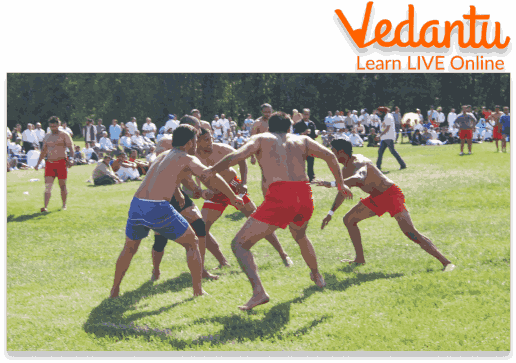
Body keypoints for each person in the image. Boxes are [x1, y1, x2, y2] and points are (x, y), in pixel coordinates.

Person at [202, 112, 351, 310]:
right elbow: (330, 156)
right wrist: (340, 184)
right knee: (300, 236)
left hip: (281, 196)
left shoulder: (261, 138)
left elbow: (238, 155)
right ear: (289, 127)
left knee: (239, 245)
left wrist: (212, 170)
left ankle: (259, 292)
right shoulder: (303, 139)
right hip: (305, 195)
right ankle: (316, 274)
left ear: (268, 127)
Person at [109, 124, 244, 299]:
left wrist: (193, 192)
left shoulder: (163, 155)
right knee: (192, 242)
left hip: (137, 204)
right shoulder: (187, 158)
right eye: (195, 141)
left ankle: (115, 290)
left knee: (129, 248)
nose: (196, 145)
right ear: (189, 143)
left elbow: (170, 177)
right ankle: (198, 291)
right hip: (157, 206)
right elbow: (211, 176)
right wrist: (232, 197)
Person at [317, 139, 455, 272]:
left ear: (341, 152)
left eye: (333, 151)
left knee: (411, 233)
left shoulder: (359, 161)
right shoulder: (346, 169)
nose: (331, 155)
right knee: (349, 219)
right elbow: (343, 192)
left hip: (391, 195)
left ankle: (446, 262)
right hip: (377, 198)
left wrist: (332, 183)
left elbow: (360, 177)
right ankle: (359, 259)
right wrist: (330, 213)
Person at [195, 123, 293, 269]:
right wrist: (201, 190)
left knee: (258, 219)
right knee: (201, 229)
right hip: (215, 192)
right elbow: (191, 177)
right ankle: (222, 262)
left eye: (210, 138)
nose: (209, 142)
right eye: (205, 139)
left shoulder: (222, 149)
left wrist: (244, 182)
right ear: (197, 141)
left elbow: (241, 159)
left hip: (234, 186)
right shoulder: (193, 156)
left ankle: (283, 254)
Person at [35, 116, 74, 212]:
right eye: (51, 126)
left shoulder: (64, 135)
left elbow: (71, 148)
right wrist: (38, 163)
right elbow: (44, 151)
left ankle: (64, 205)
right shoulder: (47, 136)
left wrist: (72, 159)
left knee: (62, 185)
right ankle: (45, 206)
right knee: (48, 186)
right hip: (50, 163)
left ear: (59, 125)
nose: (53, 128)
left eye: (55, 126)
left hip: (61, 162)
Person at [376, 106, 407, 172]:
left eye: (379, 111)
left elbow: (387, 128)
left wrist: (379, 135)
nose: (378, 113)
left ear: (382, 111)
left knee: (393, 151)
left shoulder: (388, 117)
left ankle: (403, 165)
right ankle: (378, 166)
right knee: (380, 152)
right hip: (384, 137)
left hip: (389, 137)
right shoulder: (385, 117)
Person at [292, 108, 319, 182]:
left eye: (308, 114)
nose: (306, 116)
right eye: (305, 114)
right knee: (300, 162)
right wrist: (303, 133)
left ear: (309, 115)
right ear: (302, 114)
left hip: (310, 145)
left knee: (311, 162)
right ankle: (300, 177)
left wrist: (316, 134)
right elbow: (294, 134)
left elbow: (313, 135)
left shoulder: (312, 123)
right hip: (301, 145)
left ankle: (311, 177)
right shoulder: (298, 124)